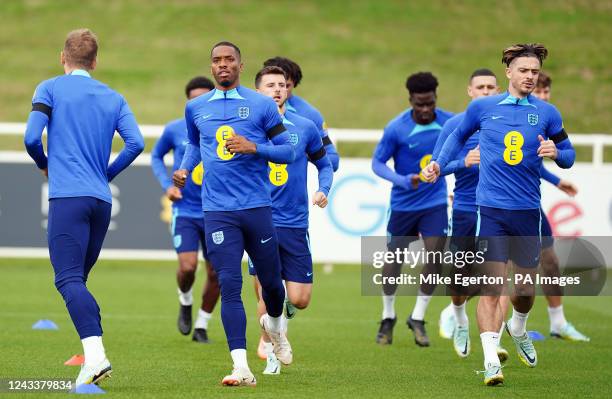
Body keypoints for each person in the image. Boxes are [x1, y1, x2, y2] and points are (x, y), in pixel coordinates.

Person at [424, 43, 575, 386]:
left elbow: (568, 153)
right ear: (509, 72)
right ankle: (491, 360)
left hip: (526, 213)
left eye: (534, 72)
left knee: (523, 291)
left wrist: (557, 152)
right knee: (491, 287)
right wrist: (438, 163)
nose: (529, 76)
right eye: (523, 70)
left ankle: (518, 327)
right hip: (489, 211)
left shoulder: (547, 113)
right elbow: (455, 136)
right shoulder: (483, 108)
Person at [24, 29, 144, 386]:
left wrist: (43, 161)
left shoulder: (49, 88)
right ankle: (90, 357)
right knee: (79, 281)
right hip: (100, 200)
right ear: (95, 62)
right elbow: (136, 143)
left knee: (68, 279)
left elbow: (32, 137)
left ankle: (95, 357)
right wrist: (106, 173)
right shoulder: (114, 97)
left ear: (63, 58)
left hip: (68, 198)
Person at [172, 41, 295, 387]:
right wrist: (184, 169)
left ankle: (275, 328)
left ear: (241, 66)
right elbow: (195, 145)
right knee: (229, 282)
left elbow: (287, 151)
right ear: (211, 67)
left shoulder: (261, 105)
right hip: (218, 211)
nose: (223, 65)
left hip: (257, 208)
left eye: (229, 60)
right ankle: (241, 366)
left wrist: (254, 147)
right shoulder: (195, 107)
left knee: (272, 286)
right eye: (217, 60)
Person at [249, 66, 333, 374]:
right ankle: (270, 351)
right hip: (260, 221)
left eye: (282, 84)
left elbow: (325, 164)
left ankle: (274, 323)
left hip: (296, 223)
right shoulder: (248, 128)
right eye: (270, 85)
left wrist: (324, 188)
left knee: (299, 299)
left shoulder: (305, 126)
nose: (277, 89)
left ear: (288, 89)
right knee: (266, 289)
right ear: (258, 91)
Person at [372, 72, 453, 347]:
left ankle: (418, 316)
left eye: (430, 103)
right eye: (420, 104)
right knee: (394, 263)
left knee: (435, 256)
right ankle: (388, 315)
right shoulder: (397, 128)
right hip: (403, 205)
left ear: (435, 99)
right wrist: (403, 181)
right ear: (411, 101)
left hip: (435, 203)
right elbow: (378, 163)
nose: (426, 109)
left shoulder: (450, 122)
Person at [431, 68, 501, 359]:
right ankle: (459, 316)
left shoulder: (507, 125)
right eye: (480, 87)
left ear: (498, 91)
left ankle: (493, 346)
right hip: (465, 210)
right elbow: (435, 169)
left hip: (499, 210)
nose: (486, 92)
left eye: (490, 87)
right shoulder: (456, 125)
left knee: (498, 278)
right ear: (469, 92)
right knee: (459, 278)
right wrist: (464, 161)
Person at [151, 76, 220, 343]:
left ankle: (202, 325)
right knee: (188, 267)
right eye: (194, 99)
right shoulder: (175, 129)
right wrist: (167, 184)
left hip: (218, 211)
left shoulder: (225, 129)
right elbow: (156, 155)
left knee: (217, 273)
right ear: (188, 102)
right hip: (186, 209)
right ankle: (185, 299)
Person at [531, 72, 589, 342]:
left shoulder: (547, 119)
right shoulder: (511, 117)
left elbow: (557, 158)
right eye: (538, 91)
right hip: (496, 202)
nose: (542, 96)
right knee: (503, 269)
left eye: (546, 91)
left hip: (529, 204)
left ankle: (558, 323)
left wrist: (556, 180)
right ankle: (457, 312)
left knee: (550, 262)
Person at [263, 56, 339, 171]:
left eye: (285, 85)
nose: (278, 90)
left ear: (294, 84)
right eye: (272, 85)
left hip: (292, 188)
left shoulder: (309, 115)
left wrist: (307, 152)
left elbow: (333, 161)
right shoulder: (249, 108)